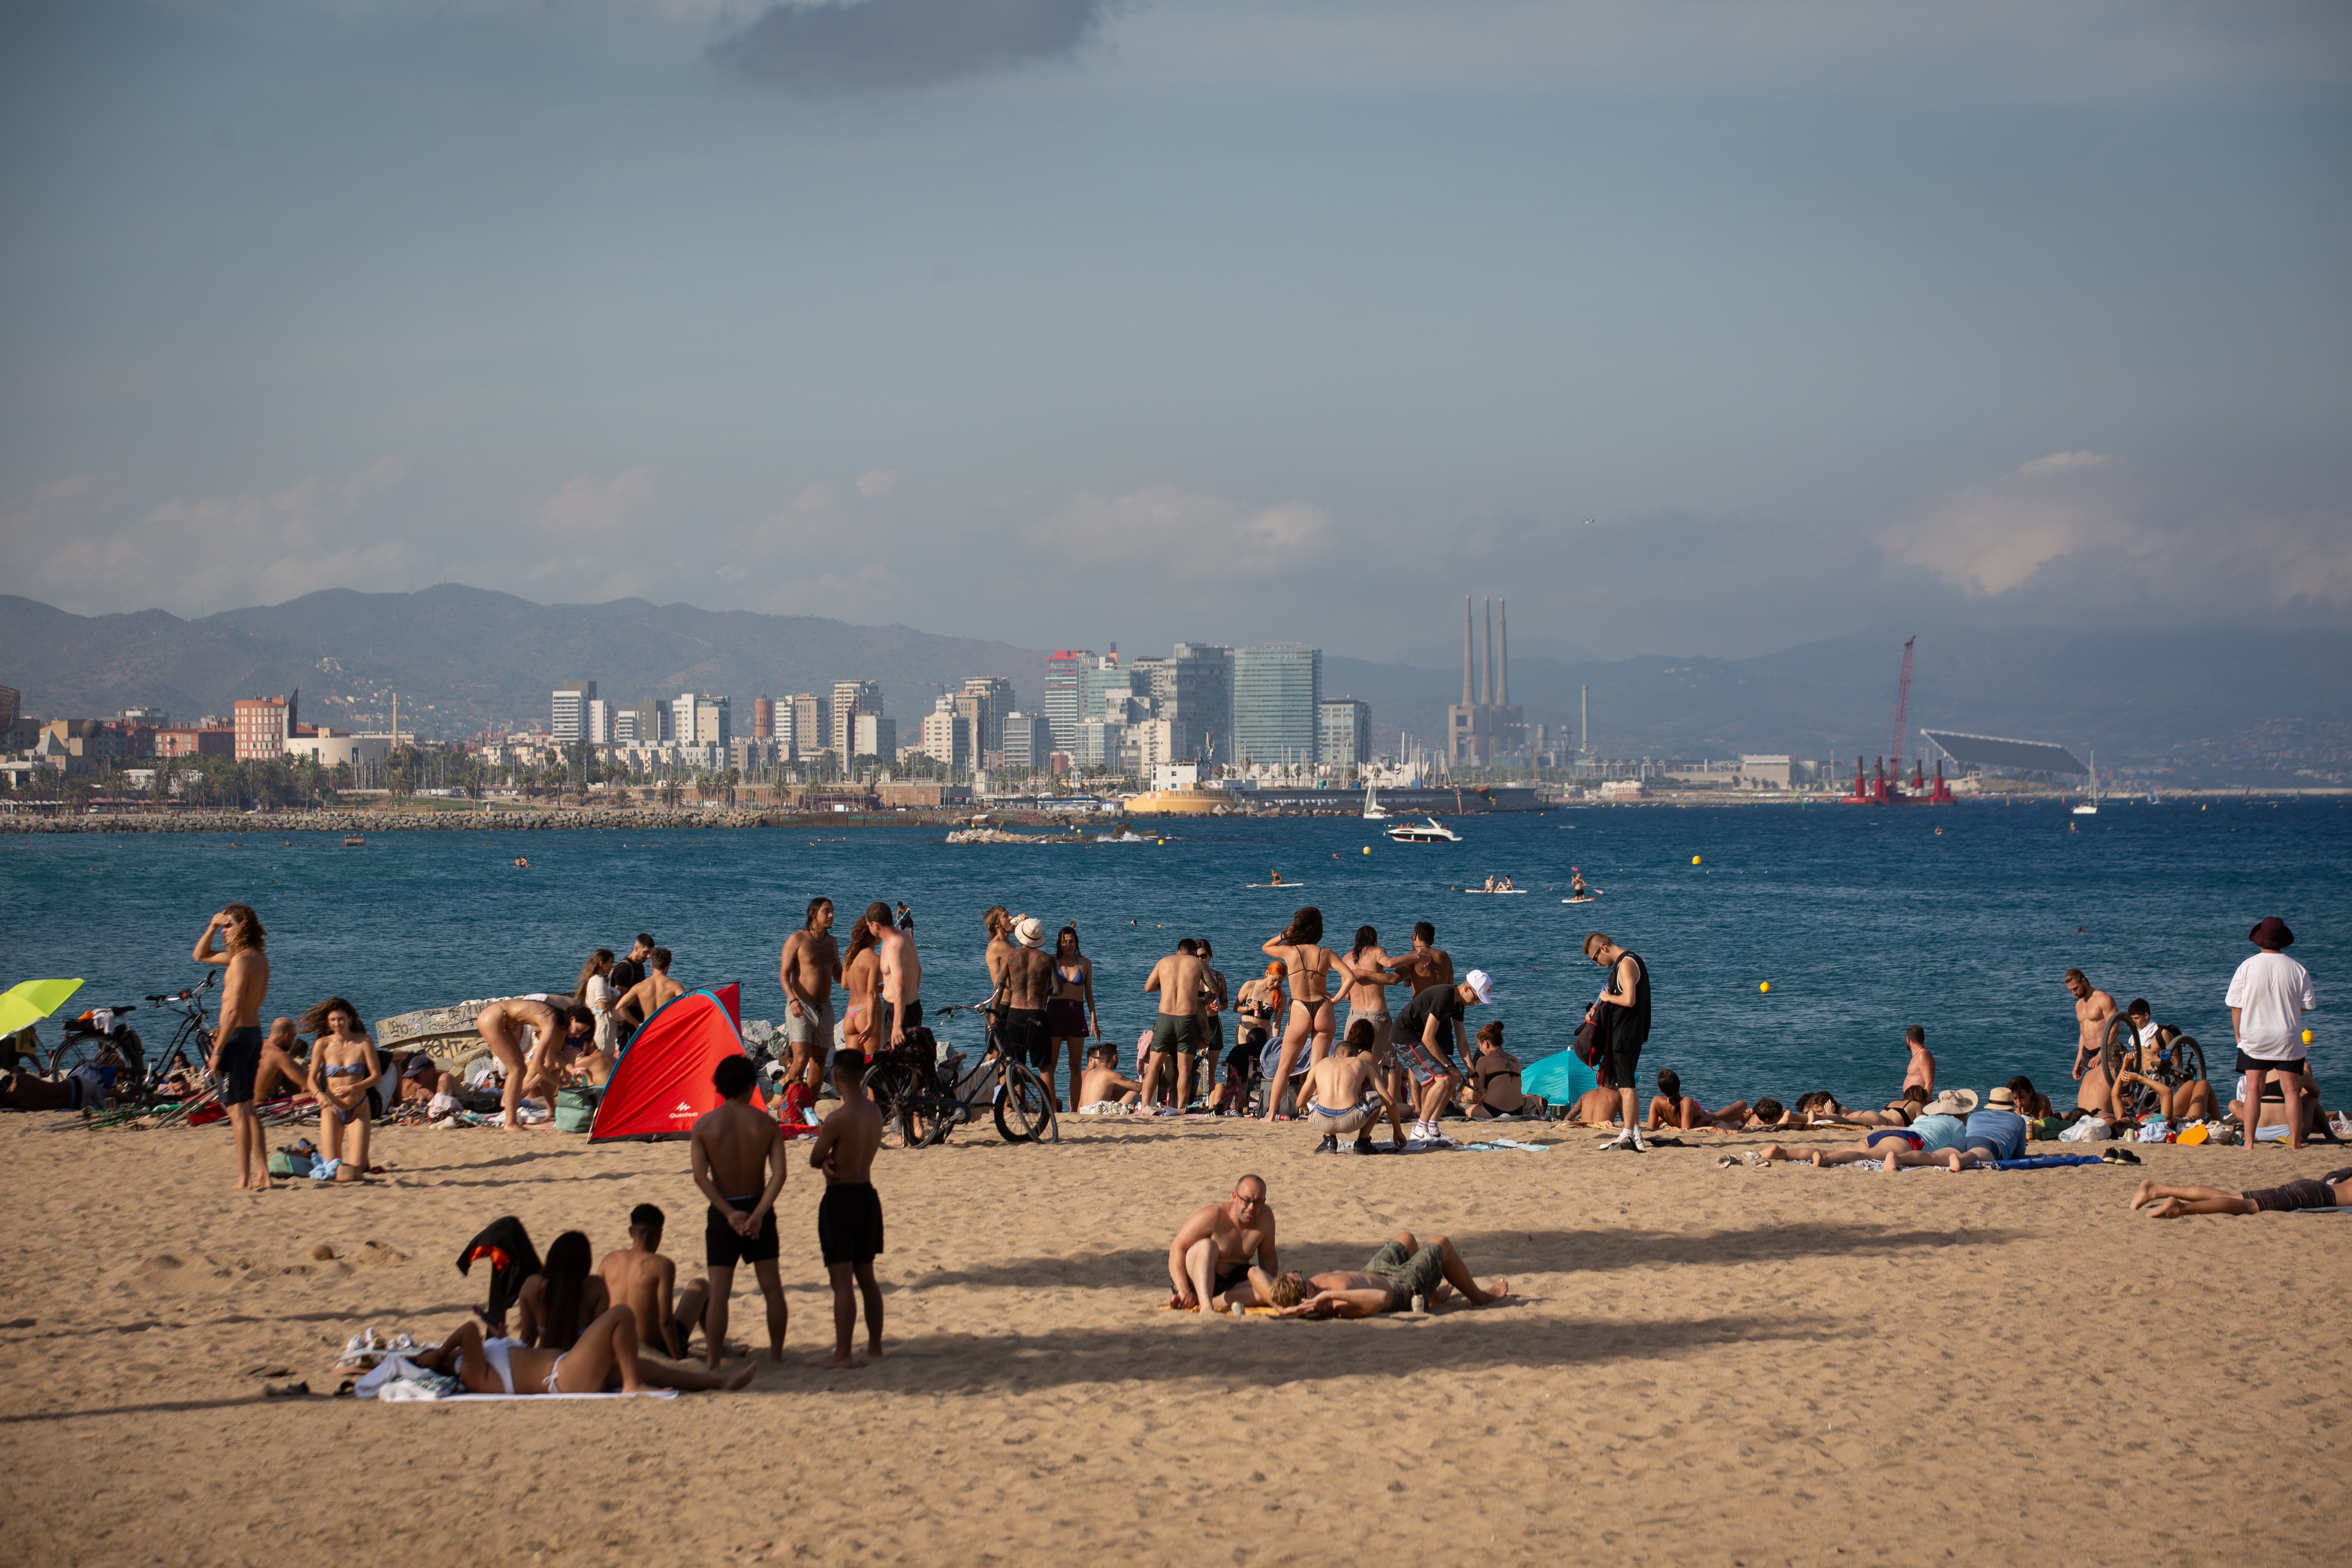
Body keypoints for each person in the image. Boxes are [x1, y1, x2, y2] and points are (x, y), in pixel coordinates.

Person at [689, 1055, 790, 1367]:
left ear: (720, 1087)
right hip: (757, 1203)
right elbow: (779, 1174)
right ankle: (775, 1355)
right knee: (772, 1287)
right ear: (750, 1087)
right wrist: (759, 1213)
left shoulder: (704, 1125)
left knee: (719, 1292)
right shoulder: (766, 1124)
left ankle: (714, 1359)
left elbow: (700, 1176)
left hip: (724, 1209)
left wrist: (729, 1213)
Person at [810, 1048, 886, 1369]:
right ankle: (874, 1346)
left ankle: (843, 1353)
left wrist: (825, 1159)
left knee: (841, 1281)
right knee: (866, 1276)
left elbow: (816, 1158)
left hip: (841, 1197)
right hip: (867, 1195)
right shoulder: (875, 1113)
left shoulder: (837, 1118)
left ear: (837, 1077)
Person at [192, 904, 271, 1190]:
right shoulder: (257, 958)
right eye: (223, 927)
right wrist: (212, 926)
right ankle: (263, 1173)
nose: (224, 931)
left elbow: (234, 1010)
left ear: (243, 926)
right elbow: (200, 955)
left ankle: (245, 1177)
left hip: (237, 1037)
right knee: (249, 1108)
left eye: (228, 925)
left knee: (237, 1111)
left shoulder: (240, 961)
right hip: (254, 1034)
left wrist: (217, 1050)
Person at [2228, 916, 2318, 1151]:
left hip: (2254, 1037)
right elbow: (2305, 1006)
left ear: (2260, 940)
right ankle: (2296, 1143)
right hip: (2287, 1037)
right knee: (2291, 1090)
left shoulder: (2246, 967)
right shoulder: (2297, 969)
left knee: (2253, 1091)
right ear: (2283, 942)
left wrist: (2239, 1038)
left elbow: (2235, 1007)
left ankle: (2249, 1143)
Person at [1264, 1231, 1508, 1318]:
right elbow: (1381, 1299)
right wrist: (1326, 1298)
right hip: (1404, 1286)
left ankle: (1434, 1297)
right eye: (1302, 1278)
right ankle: (1480, 1297)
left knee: (1407, 1239)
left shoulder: (1297, 1294)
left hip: (1376, 1271)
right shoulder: (1340, 1305)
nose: (1304, 1275)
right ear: (1307, 1294)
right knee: (1441, 1244)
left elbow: (1264, 1288)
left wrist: (1286, 1309)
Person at [598, 1203, 710, 1360]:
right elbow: (665, 1321)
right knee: (700, 1285)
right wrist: (677, 1358)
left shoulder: (609, 1261)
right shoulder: (663, 1265)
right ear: (660, 1235)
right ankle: (717, 1346)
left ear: (631, 1232)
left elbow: (597, 1311)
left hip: (617, 1343)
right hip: (655, 1348)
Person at [1393, 970, 1494, 1144]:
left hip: (1420, 1039)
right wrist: (1448, 1067)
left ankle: (1432, 1128)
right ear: (1467, 989)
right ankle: (1420, 1129)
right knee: (1444, 1078)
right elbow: (1428, 1038)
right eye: (1477, 998)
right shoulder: (1445, 996)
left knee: (1453, 1079)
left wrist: (1474, 1077)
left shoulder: (1459, 1004)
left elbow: (1462, 1043)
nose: (1477, 1004)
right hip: (1405, 1037)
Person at [1261, 907, 1340, 1122]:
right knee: (1317, 1067)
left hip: (1300, 1009)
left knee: (1285, 1067)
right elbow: (1349, 977)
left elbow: (1266, 947)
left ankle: (1271, 1115)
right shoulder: (1327, 953)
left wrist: (1286, 933)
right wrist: (1335, 999)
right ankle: (1318, 1112)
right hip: (1323, 1007)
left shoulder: (1290, 951)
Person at [1166, 1175, 1279, 1314]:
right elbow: (1177, 1248)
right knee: (1208, 1247)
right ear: (1235, 1196)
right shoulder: (1214, 1215)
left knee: (1269, 1289)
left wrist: (1270, 1289)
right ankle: (1206, 1307)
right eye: (1246, 1201)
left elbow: (1268, 1257)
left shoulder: (1265, 1218)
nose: (1252, 1207)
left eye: (1258, 1202)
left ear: (1264, 1201)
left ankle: (1207, 1302)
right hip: (1195, 1279)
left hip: (1229, 1283)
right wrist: (1183, 1289)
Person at [1582, 931, 1652, 1152]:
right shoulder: (1621, 965)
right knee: (1623, 1084)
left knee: (1627, 1086)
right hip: (1621, 1033)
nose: (1597, 964)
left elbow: (1629, 999)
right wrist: (1598, 1008)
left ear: (1603, 948)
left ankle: (1628, 1134)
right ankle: (1636, 1133)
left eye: (1595, 959)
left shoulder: (1628, 964)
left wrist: (1607, 998)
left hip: (1627, 1034)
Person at [301, 997, 380, 1182]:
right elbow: (311, 1079)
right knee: (333, 1167)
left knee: (355, 1171)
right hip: (332, 1109)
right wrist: (319, 1095)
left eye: (341, 1019)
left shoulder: (363, 1042)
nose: (338, 1024)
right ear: (328, 1023)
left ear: (350, 1019)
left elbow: (376, 1076)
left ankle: (363, 1160)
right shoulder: (323, 1044)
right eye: (333, 1020)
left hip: (358, 1107)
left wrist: (353, 1087)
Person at [472, 995, 572, 1130]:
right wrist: (560, 1083)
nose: (537, 1036)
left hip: (496, 1016)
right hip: (495, 1018)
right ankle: (510, 1122)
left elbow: (546, 1062)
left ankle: (508, 1107)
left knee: (518, 1069)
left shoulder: (546, 1013)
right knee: (517, 1070)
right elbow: (539, 1065)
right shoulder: (551, 1022)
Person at [779, 898, 841, 1112]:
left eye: (833, 911)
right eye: (827, 911)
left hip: (825, 1009)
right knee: (801, 1060)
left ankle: (809, 1110)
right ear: (813, 914)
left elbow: (840, 977)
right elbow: (784, 976)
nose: (832, 915)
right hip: (801, 1007)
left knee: (819, 1063)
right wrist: (792, 999)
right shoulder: (797, 940)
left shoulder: (833, 943)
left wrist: (865, 976)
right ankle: (778, 1102)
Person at [1303, 1019, 1401, 1152]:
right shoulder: (1364, 1060)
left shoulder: (1323, 1064)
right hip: (1352, 1119)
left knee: (1315, 1098)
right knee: (1381, 1099)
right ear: (1370, 1039)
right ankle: (1363, 1142)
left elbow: (1301, 1102)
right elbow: (1387, 1099)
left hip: (1323, 1121)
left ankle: (1329, 1140)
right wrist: (1386, 1068)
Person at [1143, 937, 1213, 1113]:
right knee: (1185, 1071)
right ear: (1195, 953)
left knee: (1153, 1068)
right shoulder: (1198, 964)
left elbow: (1148, 988)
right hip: (1187, 1020)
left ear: (1178, 952)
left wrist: (1167, 985)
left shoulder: (1164, 962)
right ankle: (1181, 1108)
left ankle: (1145, 1106)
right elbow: (1216, 990)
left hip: (1165, 1018)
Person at [2130, 1166, 2352, 1219]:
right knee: (2248, 1207)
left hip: (2312, 1186)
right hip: (2320, 1196)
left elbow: (2338, 1174)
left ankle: (2157, 1190)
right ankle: (2182, 1208)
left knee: (2232, 1197)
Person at [999, 917, 1058, 1102]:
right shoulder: (1048, 959)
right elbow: (1058, 990)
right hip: (1037, 1013)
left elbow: (1000, 986)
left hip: (1015, 1013)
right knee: (1044, 1067)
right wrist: (1043, 991)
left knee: (1015, 1063)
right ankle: (1052, 1110)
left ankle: (1018, 1104)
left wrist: (994, 1014)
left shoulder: (1009, 957)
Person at [1046, 924, 1100, 1115]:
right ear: (1060, 943)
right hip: (1054, 1014)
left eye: (1071, 941)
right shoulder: (1052, 962)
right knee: (1050, 1066)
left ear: (1076, 943)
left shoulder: (1085, 963)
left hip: (1076, 1015)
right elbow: (1043, 990)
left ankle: (1074, 1110)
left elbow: (1089, 994)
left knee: (1075, 1066)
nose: (1068, 945)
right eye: (1065, 942)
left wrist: (1094, 1020)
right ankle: (1050, 1108)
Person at [866, 903, 924, 1052]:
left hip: (896, 1013)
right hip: (915, 1007)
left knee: (892, 1066)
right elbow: (918, 970)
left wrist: (897, 1025)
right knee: (910, 1065)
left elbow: (900, 988)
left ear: (874, 924)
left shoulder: (891, 947)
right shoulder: (905, 937)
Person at [2065, 968, 2121, 1120]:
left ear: (2084, 981)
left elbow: (2115, 1030)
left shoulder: (2104, 999)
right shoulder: (2079, 1005)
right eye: (2071, 991)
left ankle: (2114, 1118)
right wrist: (2078, 1060)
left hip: (2105, 1051)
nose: (2074, 993)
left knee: (2109, 1090)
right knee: (2090, 1093)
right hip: (2087, 1054)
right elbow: (2083, 1034)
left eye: (2076, 989)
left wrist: (2101, 1054)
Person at [1335, 926, 1399, 1058]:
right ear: (1375, 940)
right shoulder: (1377, 951)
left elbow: (1347, 996)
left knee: (1350, 1061)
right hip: (1377, 1015)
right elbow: (1389, 968)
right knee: (1387, 1062)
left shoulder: (1346, 959)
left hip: (1353, 1016)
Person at [1645, 1067, 1752, 1131]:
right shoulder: (1686, 1101)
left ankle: (1741, 1118)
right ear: (1680, 1084)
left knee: (1737, 1110)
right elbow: (1687, 1130)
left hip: (1707, 1118)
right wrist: (1705, 1119)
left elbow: (1651, 1129)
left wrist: (1664, 1118)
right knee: (1743, 1104)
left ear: (1660, 1089)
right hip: (1710, 1120)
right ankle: (1742, 1120)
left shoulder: (1656, 1102)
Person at [840, 908, 883, 1058]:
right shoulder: (874, 960)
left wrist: (878, 989)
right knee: (873, 1063)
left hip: (851, 1013)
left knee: (853, 1068)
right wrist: (871, 1024)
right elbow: (870, 993)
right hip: (867, 1013)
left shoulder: (850, 957)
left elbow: (845, 985)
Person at [1461, 1021, 1526, 1119]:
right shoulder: (1516, 1060)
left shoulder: (1483, 1061)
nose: (1480, 1049)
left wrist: (1461, 1098)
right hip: (1518, 1112)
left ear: (1485, 1044)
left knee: (1457, 1104)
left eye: (1479, 1046)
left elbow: (1478, 1095)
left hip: (1493, 1112)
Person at [619, 948, 684, 1029]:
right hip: (667, 1030)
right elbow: (687, 1006)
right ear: (668, 967)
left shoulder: (640, 987)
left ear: (652, 965)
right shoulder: (675, 986)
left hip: (648, 1031)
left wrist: (637, 1024)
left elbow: (620, 1007)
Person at [1962, 1085, 2029, 1161]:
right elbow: (2019, 1156)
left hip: (1964, 1143)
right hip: (1989, 1147)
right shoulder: (2019, 1121)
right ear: (2011, 1108)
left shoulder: (1973, 1117)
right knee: (1975, 1155)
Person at [609, 933, 656, 1039]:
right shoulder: (625, 969)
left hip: (636, 1019)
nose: (649, 957)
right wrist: (636, 1024)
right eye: (646, 952)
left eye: (650, 953)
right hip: (627, 1024)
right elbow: (620, 1000)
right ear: (636, 948)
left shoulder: (639, 965)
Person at [1077, 1043, 1145, 1113]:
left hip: (1084, 1112)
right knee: (1136, 1088)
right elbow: (1139, 1087)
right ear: (1115, 1058)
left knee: (1121, 1088)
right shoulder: (1111, 1074)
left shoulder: (1090, 1074)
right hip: (1098, 1112)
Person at [576, 948, 619, 1058]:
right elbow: (603, 1009)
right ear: (601, 963)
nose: (612, 966)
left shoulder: (593, 980)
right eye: (610, 963)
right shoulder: (600, 982)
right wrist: (615, 998)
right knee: (605, 1062)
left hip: (598, 1029)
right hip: (604, 1031)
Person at [1902, 1026, 1935, 1098]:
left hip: (1918, 1102)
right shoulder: (1919, 1055)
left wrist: (1924, 1104)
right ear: (1924, 1039)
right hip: (1912, 1100)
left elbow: (1930, 1083)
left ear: (1908, 1040)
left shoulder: (1922, 1055)